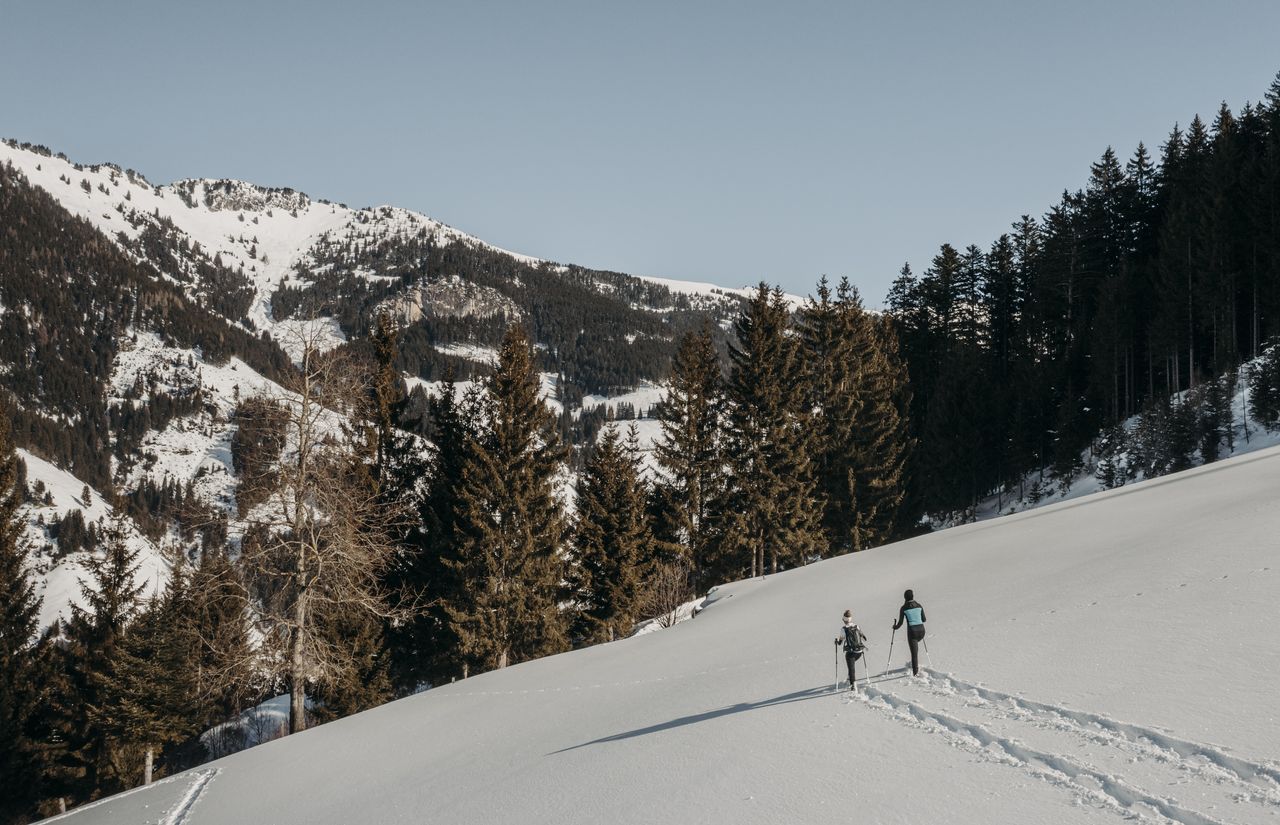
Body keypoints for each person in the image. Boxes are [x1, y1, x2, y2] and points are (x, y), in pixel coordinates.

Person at [892, 589, 927, 676]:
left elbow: (900, 623)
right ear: (913, 596)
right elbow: (924, 619)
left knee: (914, 653)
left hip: (913, 632)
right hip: (922, 631)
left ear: (905, 597)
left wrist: (894, 627)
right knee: (916, 648)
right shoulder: (919, 606)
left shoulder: (903, 608)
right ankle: (915, 667)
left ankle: (915, 672)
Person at [834, 609, 868, 689]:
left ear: (844, 620)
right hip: (859, 651)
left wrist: (836, 641)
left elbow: (840, 643)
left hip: (851, 652)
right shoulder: (856, 626)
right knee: (851, 665)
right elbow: (864, 638)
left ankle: (853, 684)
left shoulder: (844, 629)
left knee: (851, 667)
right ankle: (850, 678)